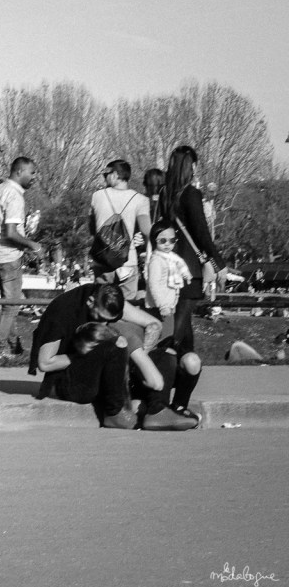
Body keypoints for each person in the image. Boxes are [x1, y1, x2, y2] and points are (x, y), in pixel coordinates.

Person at [28, 282, 162, 428]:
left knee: (138, 344)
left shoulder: (108, 296)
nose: (104, 323)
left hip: (97, 373)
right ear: (90, 302)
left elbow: (154, 324)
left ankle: (158, 407)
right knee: (115, 343)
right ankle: (114, 413)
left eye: (109, 319)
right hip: (64, 382)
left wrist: (141, 357)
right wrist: (88, 354)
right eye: (100, 316)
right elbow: (45, 363)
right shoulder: (63, 312)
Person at [157, 145, 227, 418]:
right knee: (179, 337)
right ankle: (173, 401)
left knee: (182, 336)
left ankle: (174, 399)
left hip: (168, 268)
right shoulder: (191, 193)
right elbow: (201, 231)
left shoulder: (165, 194)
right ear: (192, 166)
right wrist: (217, 262)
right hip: (189, 271)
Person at [0, 157, 42, 361]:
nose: (34, 177)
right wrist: (31, 244)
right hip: (9, 256)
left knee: (10, 305)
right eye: (32, 172)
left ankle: (15, 347)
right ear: (19, 172)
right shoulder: (15, 196)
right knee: (11, 307)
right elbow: (9, 232)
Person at [88, 159, 151, 301]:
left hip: (102, 260)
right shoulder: (140, 199)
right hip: (128, 261)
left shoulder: (97, 196)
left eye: (106, 174)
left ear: (115, 174)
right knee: (126, 305)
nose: (104, 178)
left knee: (101, 303)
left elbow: (92, 229)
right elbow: (147, 230)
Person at [144, 221, 191, 338]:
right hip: (158, 307)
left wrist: (186, 274)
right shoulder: (156, 261)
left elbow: (180, 266)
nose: (167, 244)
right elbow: (153, 285)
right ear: (154, 240)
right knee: (161, 335)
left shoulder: (172, 258)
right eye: (162, 240)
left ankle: (163, 352)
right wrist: (162, 305)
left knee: (168, 334)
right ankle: (158, 354)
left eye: (172, 240)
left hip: (169, 304)